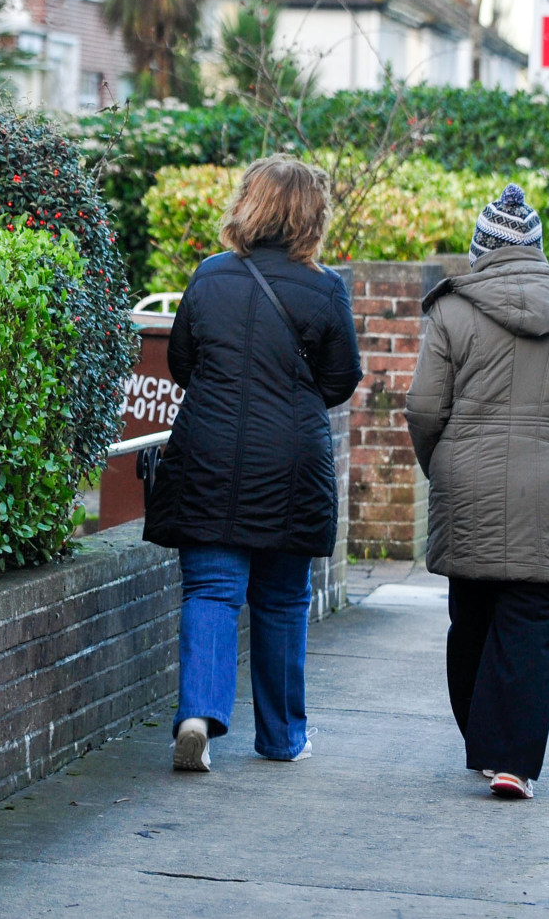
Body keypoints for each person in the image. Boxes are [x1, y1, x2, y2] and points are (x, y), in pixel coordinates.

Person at [405, 184, 549, 801]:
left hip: (467, 488)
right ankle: (514, 763)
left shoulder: (451, 309)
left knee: (471, 621)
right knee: (533, 629)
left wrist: (441, 466)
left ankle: (484, 745)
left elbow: (424, 408)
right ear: (535, 249)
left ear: (481, 250)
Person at [143, 156, 363, 772]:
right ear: (311, 217)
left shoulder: (209, 277)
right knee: (283, 600)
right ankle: (282, 738)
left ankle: (198, 717)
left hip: (207, 453)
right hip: (291, 463)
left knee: (211, 590)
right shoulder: (325, 288)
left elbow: (182, 363)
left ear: (249, 203)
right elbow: (340, 379)